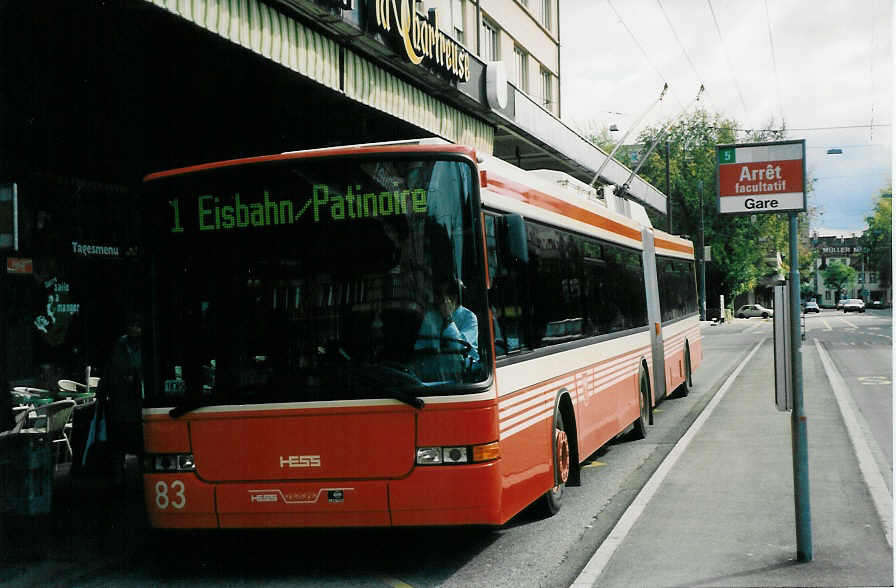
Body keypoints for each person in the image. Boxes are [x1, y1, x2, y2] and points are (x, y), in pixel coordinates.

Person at [415, 279, 479, 365]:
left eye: (443, 295)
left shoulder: (469, 317)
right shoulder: (431, 317)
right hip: (435, 369)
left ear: (454, 298)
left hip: (462, 370)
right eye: (438, 295)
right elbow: (419, 347)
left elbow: (460, 349)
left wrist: (448, 318)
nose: (439, 299)